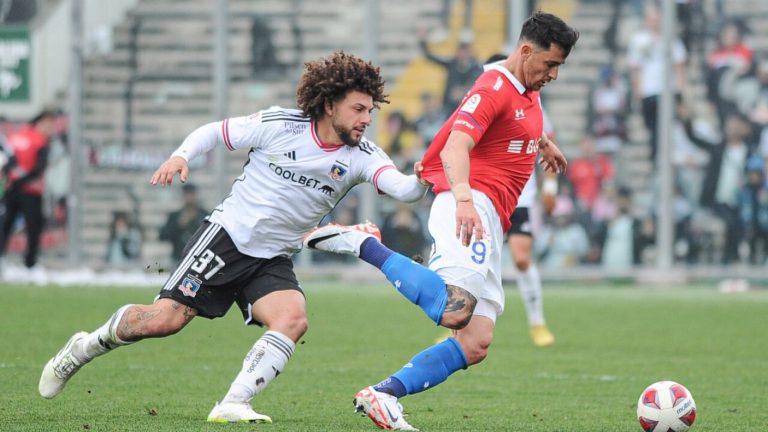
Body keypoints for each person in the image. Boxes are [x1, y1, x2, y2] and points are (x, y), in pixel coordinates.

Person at [37, 52, 431, 424]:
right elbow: (214, 132)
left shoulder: (362, 155)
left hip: (273, 257)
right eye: (358, 109)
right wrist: (181, 155)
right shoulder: (282, 126)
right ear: (330, 105)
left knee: (292, 319)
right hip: (226, 240)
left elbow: (404, 189)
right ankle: (85, 347)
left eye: (370, 111)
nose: (366, 119)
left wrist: (421, 177)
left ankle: (233, 403)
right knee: (165, 320)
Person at [305, 12, 577, 430]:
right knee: (455, 309)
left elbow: (514, 118)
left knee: (476, 341)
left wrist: (542, 143)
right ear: (526, 51)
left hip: (493, 215)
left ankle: (383, 394)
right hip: (469, 203)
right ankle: (364, 244)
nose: (554, 74)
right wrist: (464, 199)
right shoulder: (492, 87)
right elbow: (455, 146)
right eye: (551, 64)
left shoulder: (527, 87)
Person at [0, 109, 55, 271]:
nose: (49, 128)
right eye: (47, 124)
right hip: (28, 191)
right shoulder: (40, 141)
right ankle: (30, 263)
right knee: (31, 226)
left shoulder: (16, 137)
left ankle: (18, 260)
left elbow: (8, 161)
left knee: (7, 225)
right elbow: (39, 168)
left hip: (15, 188)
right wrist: (21, 180)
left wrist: (13, 178)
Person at [158, 183, 209, 262]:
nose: (189, 198)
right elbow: (163, 236)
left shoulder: (205, 215)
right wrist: (179, 225)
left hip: (199, 258)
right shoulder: (175, 216)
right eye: (186, 195)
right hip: (179, 258)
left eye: (191, 194)